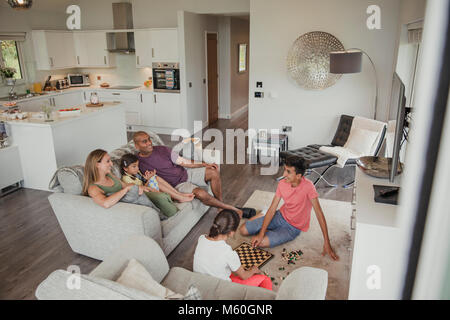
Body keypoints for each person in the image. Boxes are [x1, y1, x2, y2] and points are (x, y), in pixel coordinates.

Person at [133, 131, 253, 219]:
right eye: (144, 141)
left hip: (185, 173)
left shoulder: (162, 149)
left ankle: (220, 205)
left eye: (149, 139)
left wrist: (204, 164)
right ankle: (231, 208)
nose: (149, 143)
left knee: (213, 172)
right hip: (177, 186)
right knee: (201, 193)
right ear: (136, 146)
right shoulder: (137, 163)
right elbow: (139, 181)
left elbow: (183, 161)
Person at [240, 156, 339, 261]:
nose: (283, 175)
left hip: (292, 228)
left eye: (288, 172)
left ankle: (263, 221)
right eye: (284, 170)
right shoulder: (282, 184)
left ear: (298, 176)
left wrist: (327, 242)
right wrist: (261, 233)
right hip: (279, 216)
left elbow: (319, 213)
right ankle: (262, 214)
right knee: (243, 230)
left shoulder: (309, 187)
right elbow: (272, 209)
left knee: (260, 242)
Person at [193, 209, 272, 290]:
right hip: (219, 290)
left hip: (200, 283)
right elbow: (244, 276)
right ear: (231, 233)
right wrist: (253, 270)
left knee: (228, 271)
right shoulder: (228, 252)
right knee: (265, 279)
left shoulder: (202, 238)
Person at [120, 153, 193, 217]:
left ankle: (178, 194)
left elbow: (142, 181)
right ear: (125, 168)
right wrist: (149, 179)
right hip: (145, 193)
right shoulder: (126, 179)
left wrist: (147, 178)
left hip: (147, 189)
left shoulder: (135, 172)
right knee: (153, 179)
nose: (137, 168)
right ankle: (179, 197)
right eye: (134, 166)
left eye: (137, 166)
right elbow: (140, 189)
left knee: (155, 177)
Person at [82, 149, 148, 209]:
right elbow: (105, 203)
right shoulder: (93, 188)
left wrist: (142, 187)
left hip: (136, 196)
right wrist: (126, 189)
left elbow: (124, 185)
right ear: (97, 165)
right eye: (108, 161)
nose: (112, 164)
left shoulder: (109, 175)